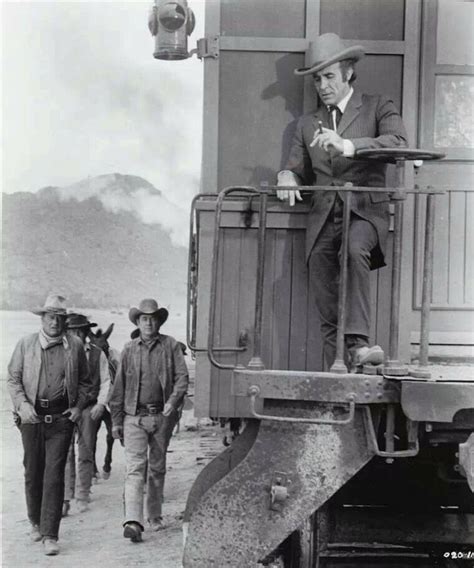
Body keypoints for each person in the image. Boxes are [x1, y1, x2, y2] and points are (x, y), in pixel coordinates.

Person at [277, 33, 408, 370]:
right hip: (322, 219)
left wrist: (347, 145)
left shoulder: (379, 106)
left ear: (349, 71)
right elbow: (294, 167)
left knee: (353, 249)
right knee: (325, 294)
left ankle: (360, 344)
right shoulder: (306, 124)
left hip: (363, 213)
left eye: (329, 76)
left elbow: (397, 142)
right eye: (317, 78)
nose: (322, 85)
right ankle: (336, 374)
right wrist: (286, 176)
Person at [7, 294, 90, 556]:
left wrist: (77, 408)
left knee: (54, 475)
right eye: (50, 317)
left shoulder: (74, 346)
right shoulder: (26, 344)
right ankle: (34, 521)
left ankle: (50, 535)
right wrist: (22, 405)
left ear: (65, 321)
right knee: (33, 472)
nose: (55, 322)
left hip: (61, 421)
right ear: (42, 318)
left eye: (59, 317)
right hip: (31, 419)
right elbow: (13, 379)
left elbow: (87, 383)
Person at [109, 298, 189, 542]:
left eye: (153, 318)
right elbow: (118, 388)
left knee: (157, 467)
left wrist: (172, 402)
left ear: (159, 322)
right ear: (138, 322)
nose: (148, 323)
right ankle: (133, 521)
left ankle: (154, 515)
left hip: (162, 417)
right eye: (144, 318)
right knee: (135, 468)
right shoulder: (129, 349)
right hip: (134, 417)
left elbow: (182, 378)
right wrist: (116, 421)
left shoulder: (171, 346)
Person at [63, 313, 111, 514]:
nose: (77, 335)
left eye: (80, 331)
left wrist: (101, 404)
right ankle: (65, 497)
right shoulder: (61, 353)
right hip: (65, 410)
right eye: (73, 331)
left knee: (86, 451)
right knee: (65, 454)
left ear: (85, 333)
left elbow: (106, 381)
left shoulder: (98, 354)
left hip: (89, 408)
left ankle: (83, 494)